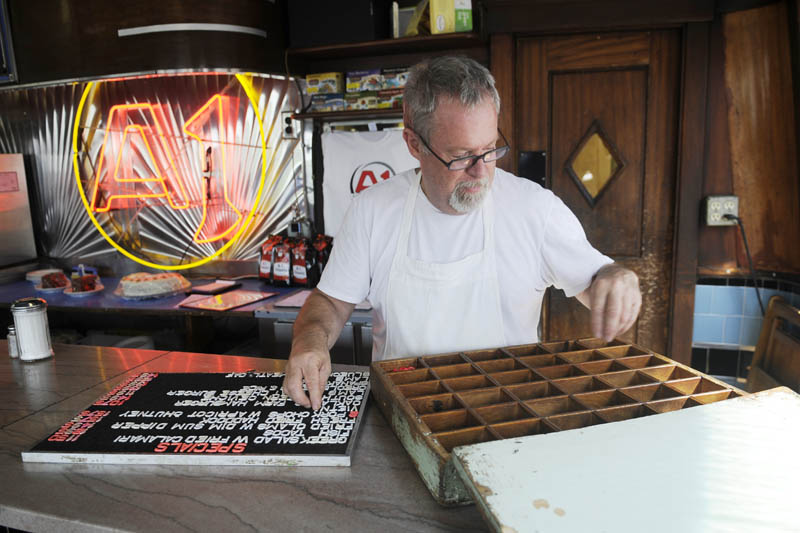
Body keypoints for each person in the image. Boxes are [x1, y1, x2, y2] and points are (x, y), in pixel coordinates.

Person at [284, 56, 641, 410]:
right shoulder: (372, 210)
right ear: (414, 144)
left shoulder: (534, 209)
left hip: (508, 416)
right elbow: (330, 302)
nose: (481, 172)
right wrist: (310, 341)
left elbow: (598, 282)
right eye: (461, 157)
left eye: (489, 150)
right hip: (400, 413)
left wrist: (616, 278)